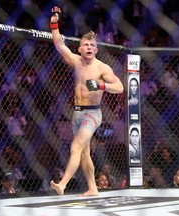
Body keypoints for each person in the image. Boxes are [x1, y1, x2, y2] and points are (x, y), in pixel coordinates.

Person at [49, 6, 124, 197]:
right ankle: (93, 188)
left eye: (92, 45)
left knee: (75, 147)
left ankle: (63, 184)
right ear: (80, 48)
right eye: (86, 45)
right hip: (77, 113)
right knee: (84, 153)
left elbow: (120, 87)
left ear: (96, 49)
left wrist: (100, 86)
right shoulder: (75, 61)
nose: (89, 48)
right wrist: (54, 22)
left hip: (93, 113)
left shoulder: (102, 67)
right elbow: (59, 44)